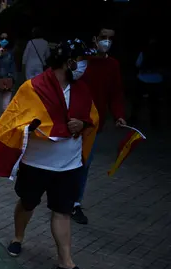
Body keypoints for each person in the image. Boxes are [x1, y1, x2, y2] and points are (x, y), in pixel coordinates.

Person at [0, 39, 99, 269]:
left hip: (69, 163)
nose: (85, 66)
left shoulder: (82, 89)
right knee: (27, 203)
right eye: (82, 61)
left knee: (63, 210)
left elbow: (92, 117)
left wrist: (83, 123)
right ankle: (18, 237)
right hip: (37, 162)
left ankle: (66, 262)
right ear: (69, 62)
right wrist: (33, 128)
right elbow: (12, 120)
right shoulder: (32, 88)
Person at [76, 27, 126, 225]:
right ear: (95, 39)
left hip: (95, 124)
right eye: (103, 38)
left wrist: (119, 116)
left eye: (110, 39)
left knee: (85, 163)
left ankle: (74, 203)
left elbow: (115, 94)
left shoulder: (112, 65)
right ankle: (61, 197)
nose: (106, 42)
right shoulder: (83, 62)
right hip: (74, 119)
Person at [129, 37, 162, 128]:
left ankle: (133, 119)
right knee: (154, 103)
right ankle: (154, 122)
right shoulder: (161, 54)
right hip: (156, 80)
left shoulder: (144, 52)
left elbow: (137, 64)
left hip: (143, 79)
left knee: (137, 101)